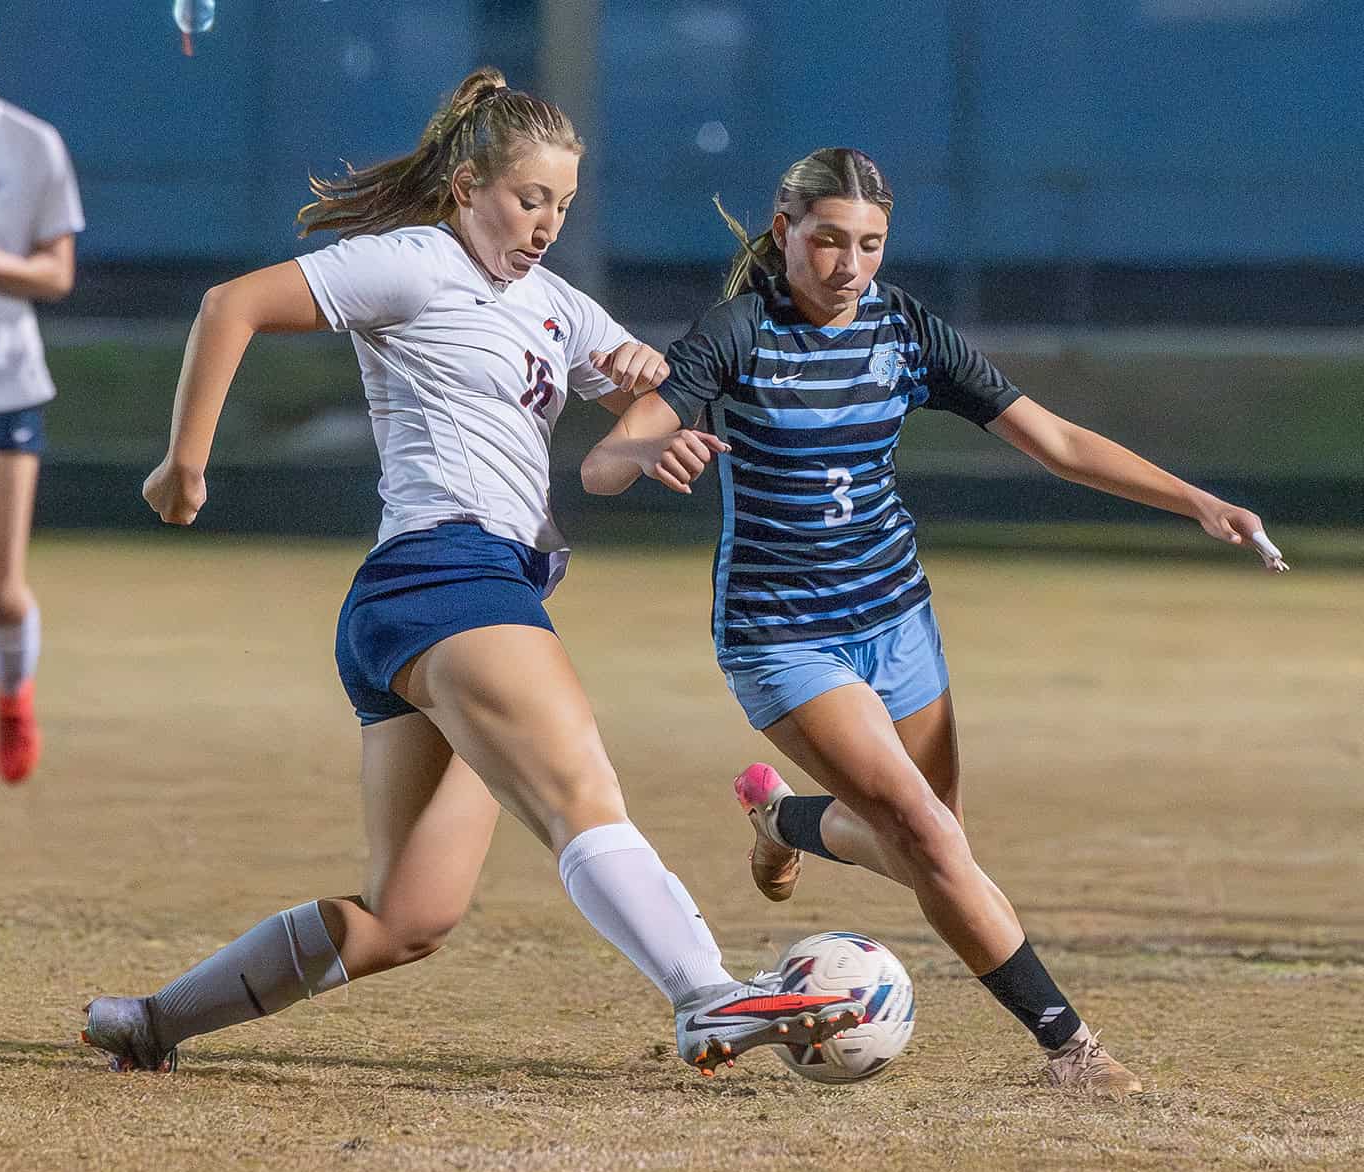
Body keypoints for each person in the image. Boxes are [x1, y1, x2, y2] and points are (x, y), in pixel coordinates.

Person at [80, 72, 864, 1077]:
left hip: (425, 606)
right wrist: (183, 462)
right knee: (581, 788)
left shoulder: (553, 304)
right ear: (465, 186)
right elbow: (230, 305)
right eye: (528, 199)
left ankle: (152, 1020)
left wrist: (647, 416)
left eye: (563, 206)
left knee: (408, 916)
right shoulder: (412, 262)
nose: (545, 223)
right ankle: (706, 993)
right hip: (446, 575)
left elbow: (657, 392)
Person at [580, 146, 1290, 1098]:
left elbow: (1055, 441)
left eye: (869, 245)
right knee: (926, 836)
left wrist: (1193, 499)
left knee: (936, 840)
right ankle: (1070, 1050)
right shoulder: (738, 332)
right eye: (827, 240)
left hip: (897, 618)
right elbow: (601, 464)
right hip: (783, 635)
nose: (847, 265)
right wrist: (652, 445)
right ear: (784, 231)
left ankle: (783, 819)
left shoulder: (903, 327)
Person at [0, 29, 84, 784]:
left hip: (4, 388)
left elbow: (56, 275)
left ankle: (13, 693)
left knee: (1, 587)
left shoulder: (30, 144)